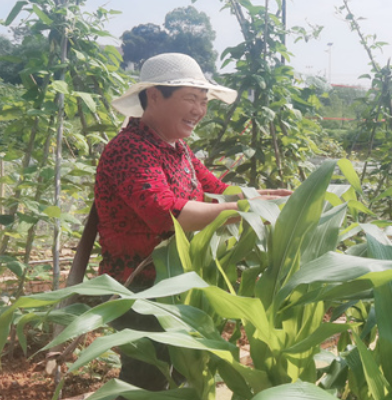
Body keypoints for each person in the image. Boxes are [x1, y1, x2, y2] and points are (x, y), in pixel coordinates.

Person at [93, 53, 291, 395]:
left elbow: (217, 192)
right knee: (148, 379)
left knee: (181, 373)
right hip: (141, 290)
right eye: (190, 99)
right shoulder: (129, 149)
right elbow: (165, 212)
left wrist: (264, 197)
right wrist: (247, 206)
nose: (199, 110)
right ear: (154, 96)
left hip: (175, 282)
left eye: (203, 101)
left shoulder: (178, 149)